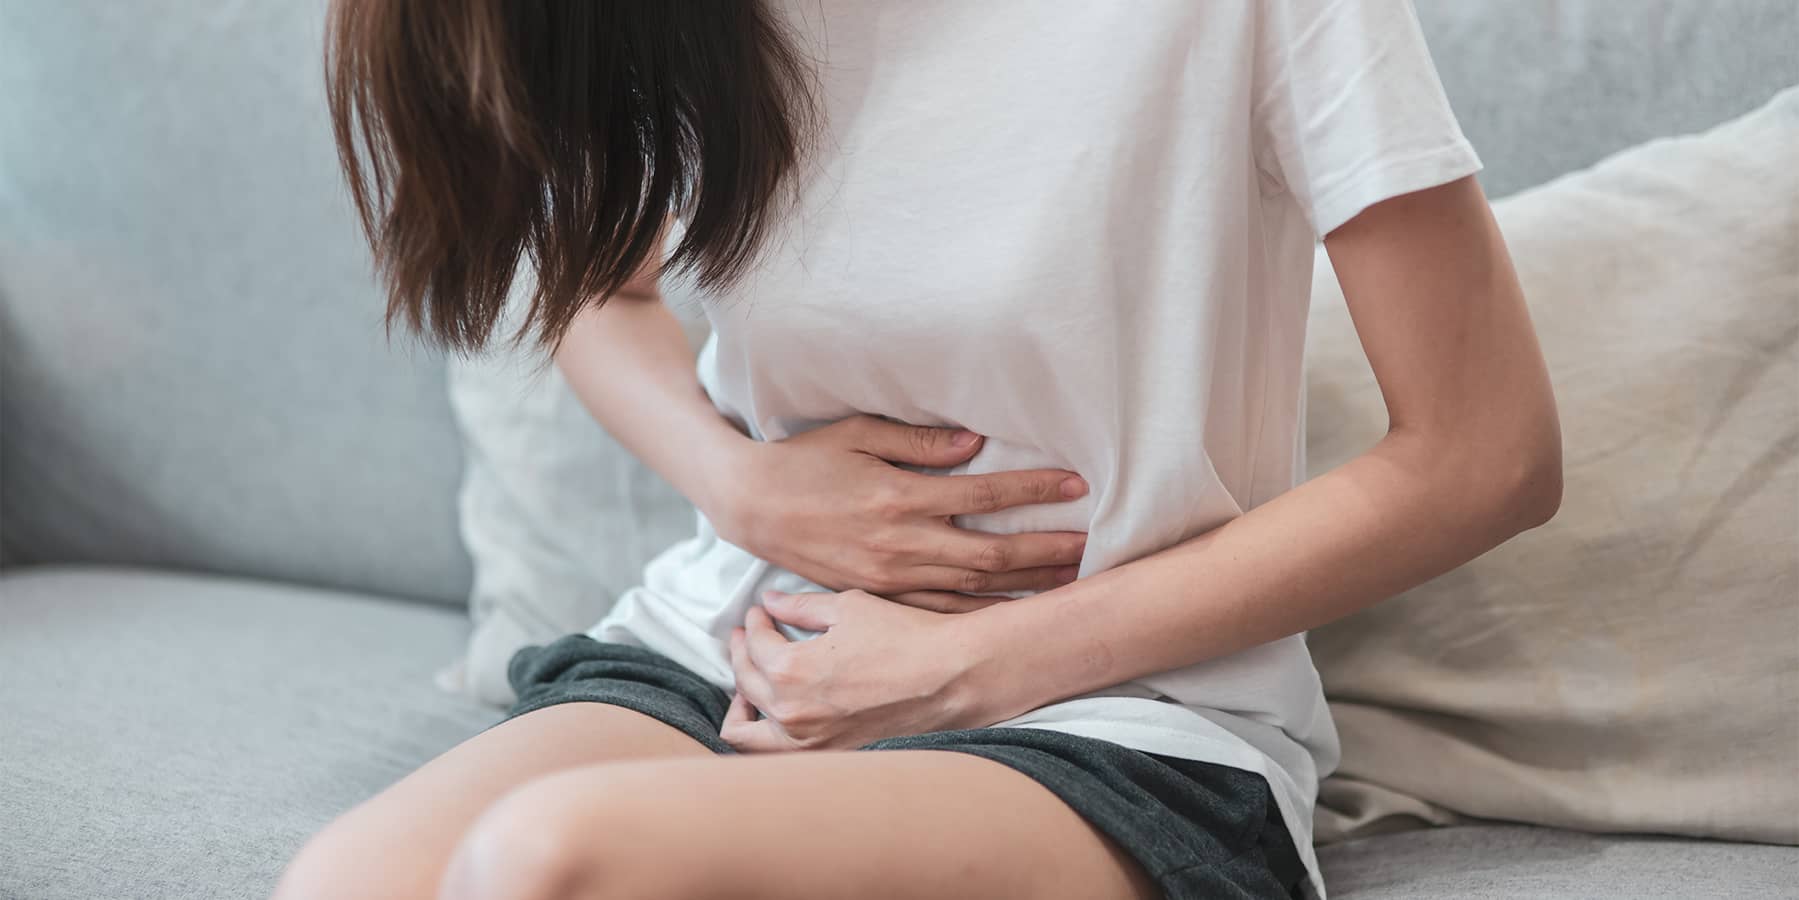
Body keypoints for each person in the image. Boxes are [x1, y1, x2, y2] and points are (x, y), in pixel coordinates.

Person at [275, 1, 1562, 898]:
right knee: (345, 883)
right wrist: (739, 483)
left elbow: (1484, 453)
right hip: (739, 649)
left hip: (1120, 719)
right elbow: (595, 289)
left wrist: (965, 666)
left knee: (553, 861)